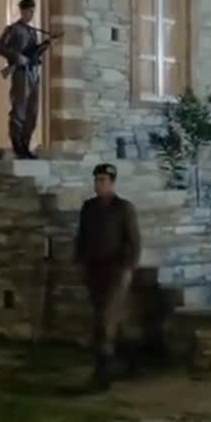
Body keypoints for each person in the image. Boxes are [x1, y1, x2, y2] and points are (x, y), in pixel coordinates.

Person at [74, 163, 142, 390]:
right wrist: (79, 261)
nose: (99, 184)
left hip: (116, 270)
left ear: (112, 183)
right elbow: (82, 236)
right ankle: (125, 361)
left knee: (106, 317)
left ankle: (103, 369)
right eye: (96, 180)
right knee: (106, 318)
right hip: (95, 270)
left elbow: (134, 241)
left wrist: (128, 269)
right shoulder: (89, 207)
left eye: (103, 180)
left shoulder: (123, 208)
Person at [0, 0, 43, 159]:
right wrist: (16, 56)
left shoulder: (33, 31)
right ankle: (18, 145)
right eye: (29, 11)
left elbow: (34, 51)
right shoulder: (13, 29)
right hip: (20, 71)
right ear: (22, 11)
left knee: (32, 111)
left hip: (33, 71)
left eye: (33, 11)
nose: (31, 14)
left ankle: (26, 144)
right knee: (19, 109)